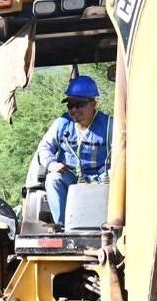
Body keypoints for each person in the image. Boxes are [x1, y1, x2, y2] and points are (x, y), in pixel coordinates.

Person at [36, 76, 113, 227]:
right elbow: (44, 148)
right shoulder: (61, 124)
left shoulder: (110, 125)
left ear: (93, 104)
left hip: (102, 178)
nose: (74, 110)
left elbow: (122, 154)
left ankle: (109, 226)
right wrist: (52, 164)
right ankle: (63, 227)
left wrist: (112, 172)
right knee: (53, 179)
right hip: (71, 176)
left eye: (79, 105)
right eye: (70, 105)